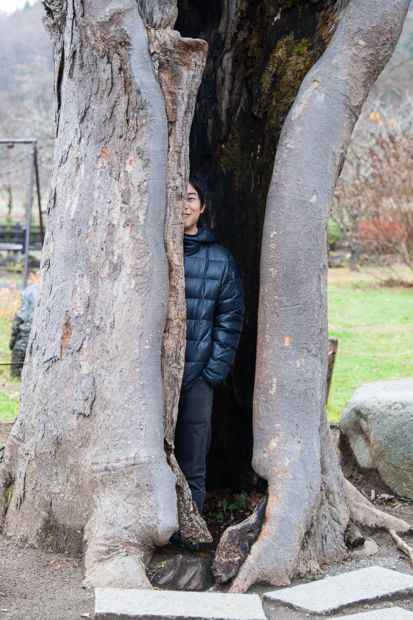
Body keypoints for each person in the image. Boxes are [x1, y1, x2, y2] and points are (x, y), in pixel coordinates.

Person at [174, 174, 244, 516]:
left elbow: (230, 320)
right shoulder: (149, 250)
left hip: (198, 376)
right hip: (150, 379)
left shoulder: (221, 260)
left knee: (192, 459)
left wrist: (212, 372)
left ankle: (190, 528)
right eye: (177, 196)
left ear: (202, 207)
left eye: (190, 198)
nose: (184, 204)